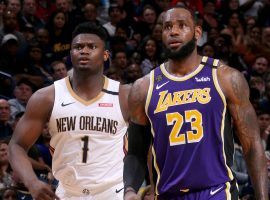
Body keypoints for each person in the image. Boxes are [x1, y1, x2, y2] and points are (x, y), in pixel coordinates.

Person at [123, 6, 268, 200]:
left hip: (217, 192)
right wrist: (130, 189)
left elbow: (252, 145)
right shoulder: (143, 88)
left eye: (182, 26)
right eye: (167, 27)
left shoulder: (225, 77)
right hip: (167, 194)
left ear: (197, 33)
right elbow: (135, 152)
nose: (173, 31)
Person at [8, 22, 130, 200]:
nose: (84, 51)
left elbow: (145, 147)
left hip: (113, 193)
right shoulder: (47, 97)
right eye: (78, 47)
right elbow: (16, 146)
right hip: (65, 193)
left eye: (92, 46)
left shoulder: (124, 95)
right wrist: (32, 182)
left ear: (105, 55)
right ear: (70, 54)